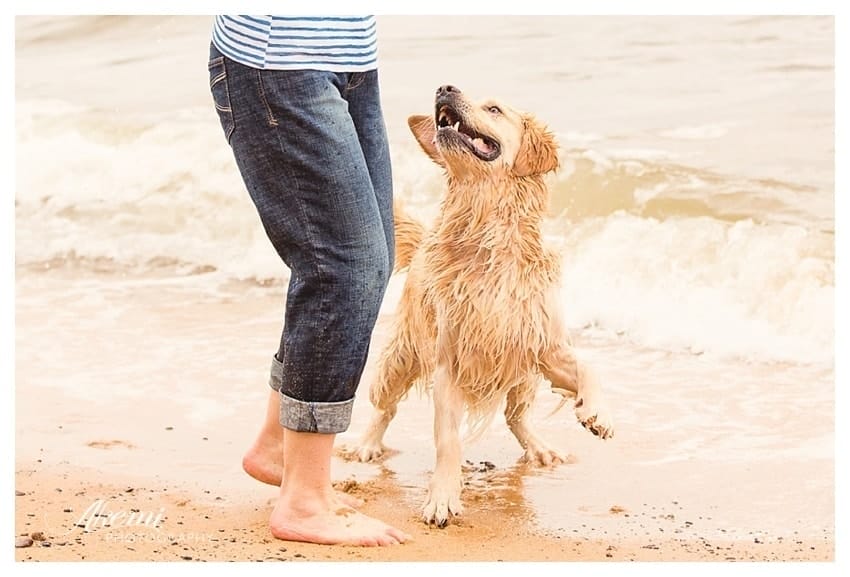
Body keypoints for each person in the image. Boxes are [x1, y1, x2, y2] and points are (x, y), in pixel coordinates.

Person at [208, 15, 408, 546]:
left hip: (349, 57)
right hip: (279, 63)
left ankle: (277, 447)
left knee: (373, 259)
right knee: (342, 267)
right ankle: (303, 503)